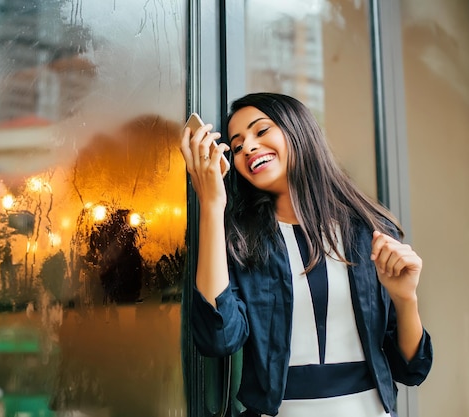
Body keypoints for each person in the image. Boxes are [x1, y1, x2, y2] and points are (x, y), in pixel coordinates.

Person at [179, 92, 433, 417]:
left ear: (298, 130)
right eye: (238, 145)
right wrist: (213, 205)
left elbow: (411, 369)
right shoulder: (243, 240)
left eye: (261, 131)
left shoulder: (370, 232)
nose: (249, 148)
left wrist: (406, 298)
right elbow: (219, 337)